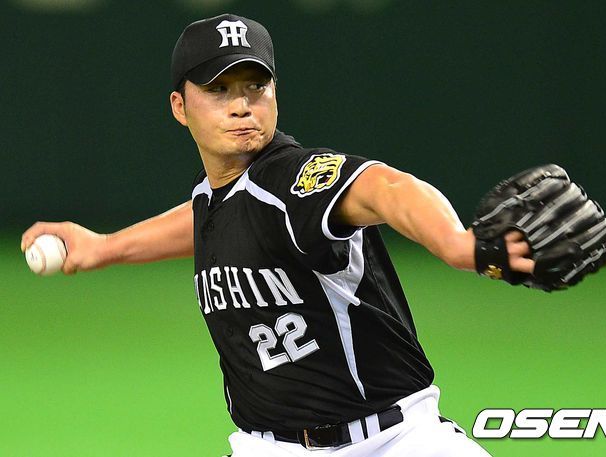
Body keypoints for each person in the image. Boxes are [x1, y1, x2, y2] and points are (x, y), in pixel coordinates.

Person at [22, 14, 534, 457]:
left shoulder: (294, 179)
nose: (241, 105)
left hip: (394, 441)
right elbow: (211, 218)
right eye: (218, 90)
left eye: (255, 87)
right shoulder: (219, 196)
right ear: (180, 106)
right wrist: (105, 247)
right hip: (267, 447)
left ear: (275, 93)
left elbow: (385, 187)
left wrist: (456, 244)